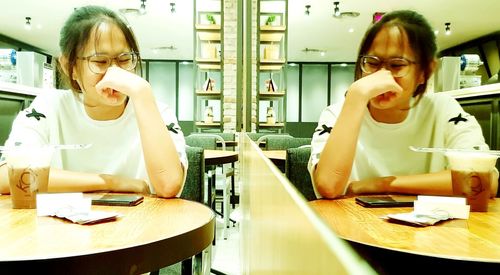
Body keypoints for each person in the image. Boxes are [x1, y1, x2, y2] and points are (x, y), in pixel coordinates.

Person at [0, 5, 187, 198]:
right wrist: (111, 182)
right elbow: (9, 176)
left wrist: (142, 92)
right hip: (60, 227)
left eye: (124, 59)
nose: (116, 73)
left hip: (140, 226)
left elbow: (169, 185)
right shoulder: (49, 107)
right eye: (100, 61)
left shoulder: (155, 112)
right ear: (69, 66)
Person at [308, 10, 497, 199]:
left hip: (433, 228)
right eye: (372, 63)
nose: (381, 77)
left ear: (424, 72)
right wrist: (356, 96)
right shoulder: (338, 114)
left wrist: (381, 184)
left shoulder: (443, 110)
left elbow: (483, 180)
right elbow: (328, 185)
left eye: (397, 65)